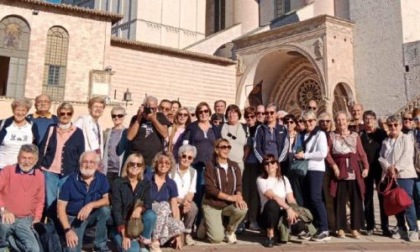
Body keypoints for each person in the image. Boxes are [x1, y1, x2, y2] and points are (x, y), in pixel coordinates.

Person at [326, 111, 369, 239]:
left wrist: (366, 167)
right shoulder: (332, 136)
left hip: (353, 170)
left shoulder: (355, 136)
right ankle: (340, 228)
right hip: (339, 170)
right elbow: (327, 153)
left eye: (343, 119)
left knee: (356, 199)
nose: (341, 122)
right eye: (338, 120)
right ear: (335, 121)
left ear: (347, 121)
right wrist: (333, 166)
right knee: (339, 200)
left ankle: (355, 228)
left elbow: (361, 153)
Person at [38, 102, 85, 218]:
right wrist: (39, 167)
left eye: (68, 113)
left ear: (72, 115)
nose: (65, 116)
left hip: (68, 172)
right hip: (50, 171)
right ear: (58, 114)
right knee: (50, 200)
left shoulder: (78, 132)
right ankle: (50, 227)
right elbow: (43, 148)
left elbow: (81, 154)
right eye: (62, 113)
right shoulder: (51, 129)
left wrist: (79, 172)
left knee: (64, 201)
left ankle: (62, 226)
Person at [57, 151, 111, 251]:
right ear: (80, 163)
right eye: (85, 161)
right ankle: (79, 239)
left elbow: (107, 200)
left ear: (97, 165)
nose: (88, 165)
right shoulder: (69, 181)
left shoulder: (102, 178)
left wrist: (90, 205)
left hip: (91, 215)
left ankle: (100, 245)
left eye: (92, 162)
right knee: (72, 249)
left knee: (105, 210)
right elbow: (60, 208)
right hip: (74, 219)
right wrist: (68, 230)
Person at [378, 115, 418, 241]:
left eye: (396, 125)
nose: (393, 127)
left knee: (406, 202)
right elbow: (381, 157)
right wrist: (388, 167)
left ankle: (413, 229)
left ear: (400, 126)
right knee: (396, 203)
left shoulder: (406, 138)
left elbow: (407, 155)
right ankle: (401, 228)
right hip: (390, 176)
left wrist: (395, 168)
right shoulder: (385, 141)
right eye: (390, 125)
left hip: (404, 175)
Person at [293, 110, 330, 241]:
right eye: (305, 121)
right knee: (307, 200)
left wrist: (305, 155)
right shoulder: (301, 135)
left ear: (315, 121)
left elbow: (322, 153)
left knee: (316, 198)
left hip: (316, 170)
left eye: (311, 121)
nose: (308, 123)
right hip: (304, 170)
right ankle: (312, 228)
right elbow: (297, 150)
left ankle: (324, 229)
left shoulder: (320, 134)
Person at [182, 102, 221, 227]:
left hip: (211, 166)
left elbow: (219, 145)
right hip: (196, 166)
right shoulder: (192, 127)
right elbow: (185, 144)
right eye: (200, 112)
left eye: (205, 111)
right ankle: (194, 223)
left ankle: (205, 223)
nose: (203, 114)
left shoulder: (214, 129)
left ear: (209, 113)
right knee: (197, 194)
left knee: (208, 194)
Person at [0, 144, 44, 252]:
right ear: (18, 158)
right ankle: (4, 245)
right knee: (4, 227)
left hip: (26, 219)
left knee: (34, 249)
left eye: (30, 158)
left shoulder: (39, 175)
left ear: (36, 160)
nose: (26, 161)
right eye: (23, 158)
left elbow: (40, 200)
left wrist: (37, 218)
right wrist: (3, 210)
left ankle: (11, 241)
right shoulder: (7, 171)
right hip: (6, 216)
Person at [202, 138, 247, 244]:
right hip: (212, 204)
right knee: (216, 239)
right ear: (216, 150)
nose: (226, 149)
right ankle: (205, 223)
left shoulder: (235, 166)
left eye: (228, 147)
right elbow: (210, 189)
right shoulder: (210, 166)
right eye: (223, 147)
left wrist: (239, 197)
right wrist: (230, 197)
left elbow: (239, 186)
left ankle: (230, 231)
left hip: (228, 205)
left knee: (242, 208)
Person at [111, 153, 157, 252]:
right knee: (133, 250)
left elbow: (148, 203)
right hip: (121, 226)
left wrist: (139, 208)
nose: (135, 166)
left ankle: (142, 242)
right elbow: (116, 210)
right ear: (127, 165)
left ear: (142, 168)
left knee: (151, 215)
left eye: (138, 164)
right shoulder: (118, 183)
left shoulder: (145, 184)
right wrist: (125, 235)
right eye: (132, 163)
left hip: (136, 225)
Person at [257, 154, 299, 248]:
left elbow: (291, 198)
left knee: (299, 226)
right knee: (272, 204)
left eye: (272, 162)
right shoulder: (261, 180)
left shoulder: (284, 179)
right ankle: (270, 235)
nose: (269, 165)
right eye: (266, 163)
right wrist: (288, 208)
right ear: (263, 167)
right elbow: (272, 196)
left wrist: (295, 211)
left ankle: (283, 232)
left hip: (282, 212)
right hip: (267, 215)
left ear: (277, 165)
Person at [145, 152, 184, 251]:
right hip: (147, 209)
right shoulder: (147, 177)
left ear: (170, 166)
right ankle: (155, 242)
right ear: (156, 163)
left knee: (179, 225)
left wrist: (177, 234)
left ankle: (152, 240)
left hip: (162, 215)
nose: (163, 165)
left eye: (167, 163)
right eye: (161, 162)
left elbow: (175, 207)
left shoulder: (171, 183)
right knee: (165, 205)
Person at [359, 110, 389, 236]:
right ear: (363, 120)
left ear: (375, 119)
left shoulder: (382, 134)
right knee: (367, 198)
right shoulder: (361, 135)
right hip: (366, 170)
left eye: (371, 118)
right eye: (366, 118)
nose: (369, 121)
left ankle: (385, 226)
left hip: (380, 169)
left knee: (382, 197)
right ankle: (370, 225)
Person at [127, 96, 170, 171]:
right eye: (148, 108)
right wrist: (139, 118)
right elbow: (130, 137)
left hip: (153, 161)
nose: (151, 111)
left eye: (154, 109)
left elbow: (165, 134)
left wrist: (153, 119)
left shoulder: (160, 117)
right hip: (137, 160)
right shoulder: (136, 118)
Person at [169, 145, 198, 246]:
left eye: (189, 157)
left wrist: (187, 202)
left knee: (193, 207)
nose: (186, 159)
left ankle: (187, 233)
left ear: (192, 160)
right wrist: (180, 201)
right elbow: (168, 192)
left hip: (184, 201)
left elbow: (191, 191)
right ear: (179, 156)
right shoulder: (171, 170)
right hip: (172, 201)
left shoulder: (193, 172)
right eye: (184, 156)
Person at [0, 98, 39, 169]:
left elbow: (35, 147)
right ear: (13, 110)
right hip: (2, 167)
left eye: (23, 110)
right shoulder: (3, 124)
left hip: (23, 168)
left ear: (27, 112)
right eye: (17, 110)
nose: (20, 113)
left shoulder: (32, 126)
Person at [242, 106, 261, 231]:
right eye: (247, 116)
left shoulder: (259, 129)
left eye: (252, 116)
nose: (249, 119)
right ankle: (243, 219)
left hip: (255, 164)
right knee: (244, 192)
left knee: (254, 193)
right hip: (243, 164)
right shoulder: (242, 128)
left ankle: (253, 219)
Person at [254, 103, 288, 167]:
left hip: (278, 164)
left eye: (271, 112)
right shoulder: (260, 129)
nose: (269, 115)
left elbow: (285, 147)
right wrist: (263, 161)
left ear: (276, 114)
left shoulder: (283, 129)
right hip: (264, 164)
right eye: (267, 113)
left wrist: (277, 162)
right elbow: (256, 147)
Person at [220, 104, 249, 173]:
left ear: (238, 114)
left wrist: (243, 159)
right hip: (224, 164)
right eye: (229, 112)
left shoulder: (245, 127)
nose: (231, 115)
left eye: (234, 112)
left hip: (239, 165)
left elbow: (247, 147)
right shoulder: (221, 127)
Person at [103, 106, 126, 185]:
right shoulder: (107, 132)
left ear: (124, 117)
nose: (116, 118)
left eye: (120, 115)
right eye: (114, 116)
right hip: (108, 170)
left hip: (120, 170)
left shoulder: (127, 132)